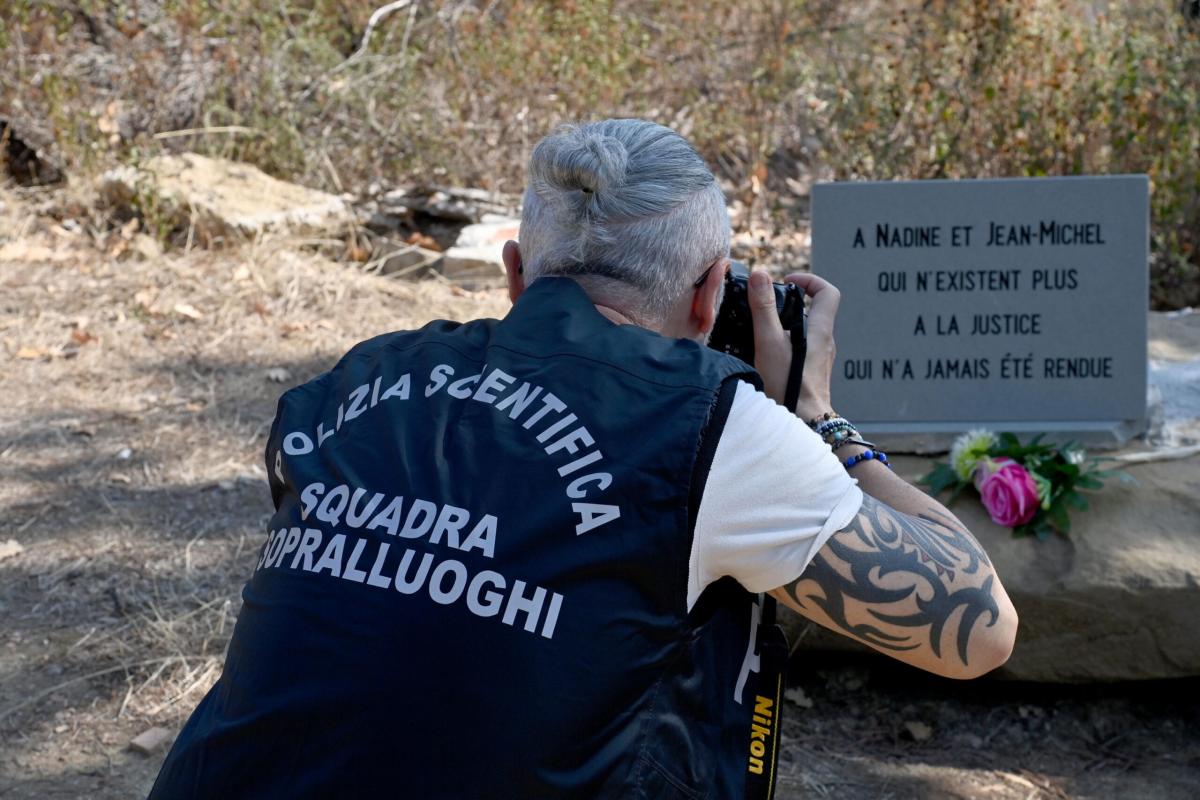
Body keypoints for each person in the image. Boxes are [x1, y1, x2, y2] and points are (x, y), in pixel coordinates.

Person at [149, 119, 1017, 799]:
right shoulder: (708, 425)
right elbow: (978, 630)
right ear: (713, 291)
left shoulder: (353, 385)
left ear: (517, 273)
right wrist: (822, 422)